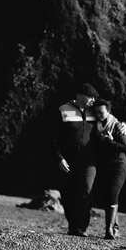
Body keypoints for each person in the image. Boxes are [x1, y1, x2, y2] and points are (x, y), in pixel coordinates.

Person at [53, 83, 99, 236]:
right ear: (79, 96)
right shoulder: (62, 110)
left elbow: (110, 120)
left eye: (94, 97)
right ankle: (73, 226)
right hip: (68, 161)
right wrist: (59, 158)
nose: (93, 100)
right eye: (90, 97)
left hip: (89, 161)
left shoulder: (95, 112)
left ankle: (81, 227)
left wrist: (123, 126)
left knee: (86, 190)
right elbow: (52, 138)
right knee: (68, 194)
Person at [92, 99, 126, 239]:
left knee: (112, 193)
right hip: (104, 165)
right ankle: (116, 228)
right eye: (96, 113)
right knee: (108, 196)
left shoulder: (117, 126)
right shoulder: (96, 125)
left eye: (101, 112)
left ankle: (108, 231)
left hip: (119, 165)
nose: (98, 115)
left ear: (108, 111)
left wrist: (109, 141)